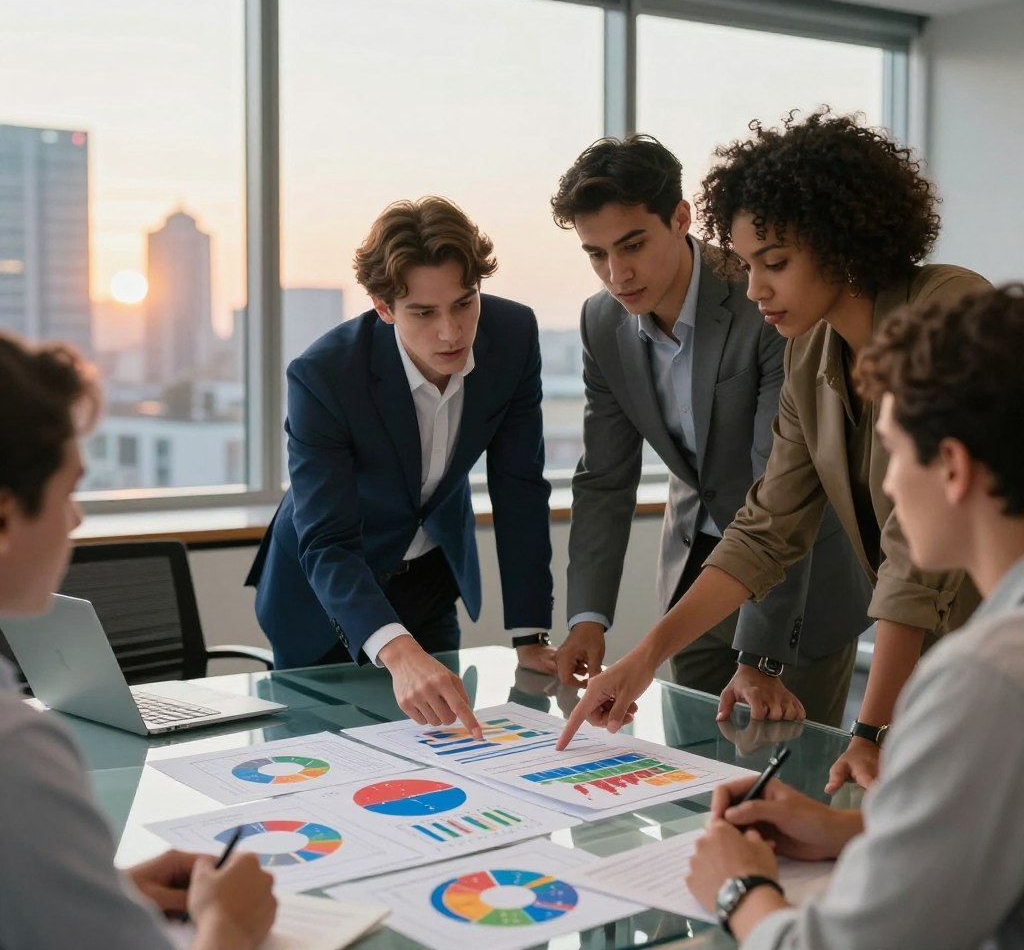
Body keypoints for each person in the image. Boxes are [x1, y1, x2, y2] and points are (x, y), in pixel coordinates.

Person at [558, 111, 989, 791]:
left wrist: (870, 732)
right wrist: (643, 658)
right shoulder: (811, 351)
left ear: (840, 243)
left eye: (776, 264)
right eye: (749, 264)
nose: (755, 288)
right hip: (939, 644)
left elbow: (914, 552)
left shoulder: (944, 308)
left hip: (993, 630)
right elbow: (765, 528)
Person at [685, 284, 1024, 949]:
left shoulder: (986, 677)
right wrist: (852, 829)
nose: (887, 483)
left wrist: (738, 889)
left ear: (952, 467)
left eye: (894, 452)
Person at [549, 134, 869, 727]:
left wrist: (761, 655)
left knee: (783, 784)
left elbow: (782, 490)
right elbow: (603, 478)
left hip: (798, 583)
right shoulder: (601, 322)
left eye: (633, 244)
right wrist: (587, 618)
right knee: (690, 780)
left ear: (680, 218)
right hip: (693, 571)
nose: (617, 275)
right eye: (596, 254)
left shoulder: (768, 304)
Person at [0, 331, 276, 950]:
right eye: (69, 491)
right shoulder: (15, 753)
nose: (76, 519)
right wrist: (228, 925)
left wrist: (105, 889)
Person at [247, 196, 556, 732]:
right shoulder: (324, 376)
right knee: (325, 781)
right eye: (423, 312)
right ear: (383, 306)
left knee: (448, 759)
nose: (451, 333)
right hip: (328, 597)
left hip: (432, 580)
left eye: (464, 303)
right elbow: (326, 542)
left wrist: (530, 635)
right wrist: (397, 651)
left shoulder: (513, 336)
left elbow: (520, 488)